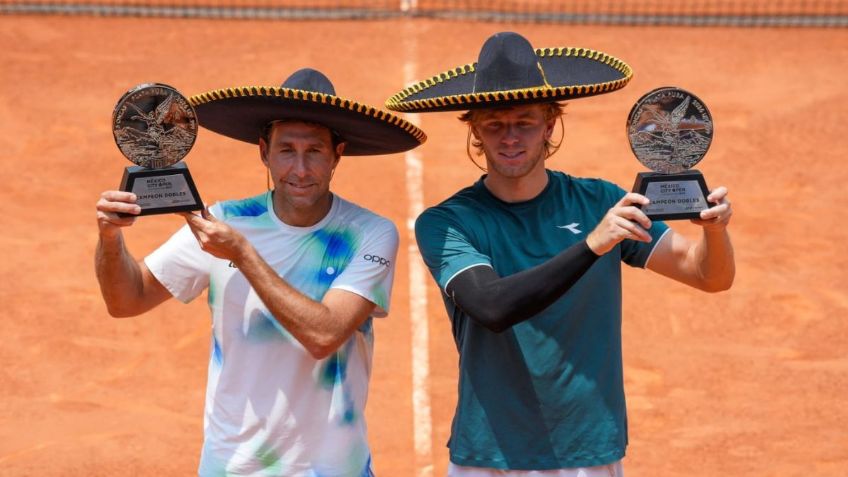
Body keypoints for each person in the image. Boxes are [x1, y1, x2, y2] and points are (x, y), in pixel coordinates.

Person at [386, 32, 734, 476]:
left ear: (549, 125)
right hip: (491, 455)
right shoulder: (448, 222)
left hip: (588, 451)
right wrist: (593, 245)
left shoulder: (598, 203)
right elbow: (490, 305)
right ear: (474, 129)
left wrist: (716, 231)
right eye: (494, 123)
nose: (510, 137)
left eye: (525, 122)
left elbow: (708, 276)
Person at [96, 68, 425, 477]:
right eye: (287, 150)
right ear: (264, 152)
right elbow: (127, 300)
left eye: (315, 152)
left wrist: (242, 253)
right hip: (234, 466)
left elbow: (324, 335)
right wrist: (110, 237)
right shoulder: (225, 219)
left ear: (337, 154)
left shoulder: (369, 234)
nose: (300, 169)